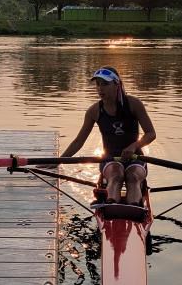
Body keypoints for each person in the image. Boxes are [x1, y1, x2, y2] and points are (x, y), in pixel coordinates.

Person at [61, 66, 156, 204]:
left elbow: (151, 134)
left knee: (133, 177)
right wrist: (59, 161)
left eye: (105, 84)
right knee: (116, 175)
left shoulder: (134, 104)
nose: (100, 89)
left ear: (117, 85)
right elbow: (78, 142)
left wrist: (134, 146)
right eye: (98, 84)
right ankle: (111, 205)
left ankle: (134, 208)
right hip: (109, 158)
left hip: (135, 157)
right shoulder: (94, 111)